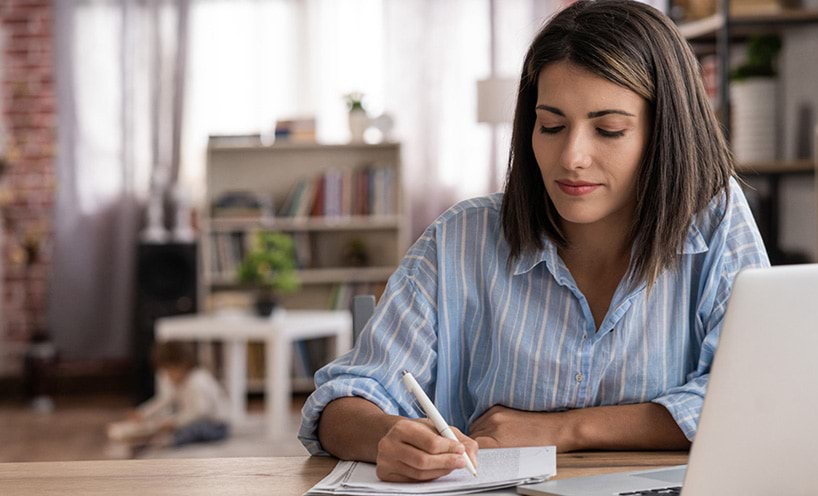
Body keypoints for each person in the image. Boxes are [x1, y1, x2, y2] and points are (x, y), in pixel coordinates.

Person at [299, 0, 769, 482]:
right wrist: (386, 435)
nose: (572, 156)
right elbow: (342, 401)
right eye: (551, 125)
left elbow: (758, 395)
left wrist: (566, 429)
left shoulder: (715, 220)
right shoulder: (460, 239)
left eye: (608, 129)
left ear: (664, 133)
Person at [108, 341, 230, 450]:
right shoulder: (180, 382)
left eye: (169, 371)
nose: (167, 376)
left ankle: (172, 441)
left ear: (183, 365)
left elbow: (199, 412)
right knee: (168, 425)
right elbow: (163, 400)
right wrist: (142, 413)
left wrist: (175, 422)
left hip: (215, 425)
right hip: (194, 419)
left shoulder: (196, 381)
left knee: (193, 428)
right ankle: (160, 439)